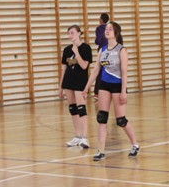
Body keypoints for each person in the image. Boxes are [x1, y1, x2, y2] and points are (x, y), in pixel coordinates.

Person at [83, 21, 140, 161]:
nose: (107, 31)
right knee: (102, 118)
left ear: (116, 33)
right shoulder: (102, 50)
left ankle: (135, 145)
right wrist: (86, 88)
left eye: (110, 29)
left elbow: (124, 72)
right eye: (106, 29)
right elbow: (95, 71)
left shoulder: (121, 50)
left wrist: (123, 92)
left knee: (121, 120)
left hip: (118, 85)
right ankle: (101, 151)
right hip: (104, 85)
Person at [60, 25, 93, 148]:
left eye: (72, 33)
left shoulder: (86, 48)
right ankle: (78, 136)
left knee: (81, 109)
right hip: (68, 82)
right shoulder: (67, 49)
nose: (70, 35)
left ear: (79, 33)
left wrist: (76, 52)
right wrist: (61, 86)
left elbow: (84, 66)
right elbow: (64, 69)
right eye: (69, 33)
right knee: (73, 109)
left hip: (80, 82)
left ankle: (85, 137)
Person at [93, 13, 109, 97]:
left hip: (102, 52)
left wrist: (96, 41)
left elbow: (98, 41)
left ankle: (97, 92)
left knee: (99, 71)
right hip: (110, 51)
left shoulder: (99, 28)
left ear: (102, 20)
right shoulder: (110, 28)